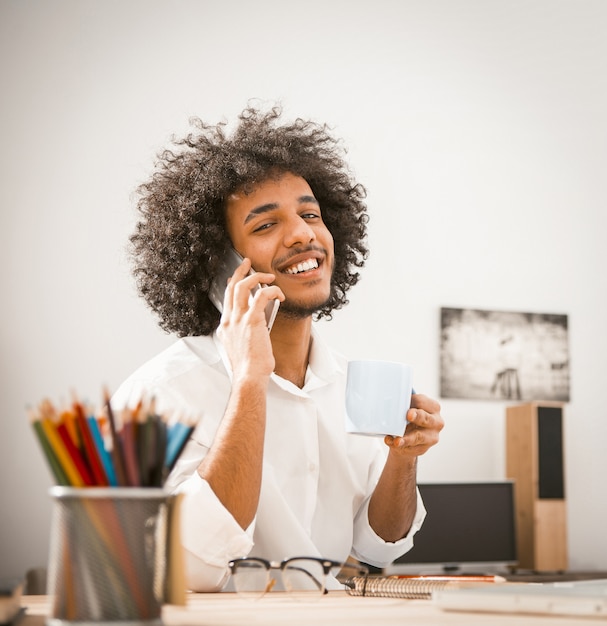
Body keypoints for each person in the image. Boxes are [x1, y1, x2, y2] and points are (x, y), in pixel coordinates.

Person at [113, 105, 444, 592]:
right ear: (217, 269)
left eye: (310, 214)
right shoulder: (161, 395)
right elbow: (191, 566)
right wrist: (249, 380)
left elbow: (378, 547)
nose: (303, 233)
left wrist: (403, 457)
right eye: (265, 225)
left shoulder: (351, 384)